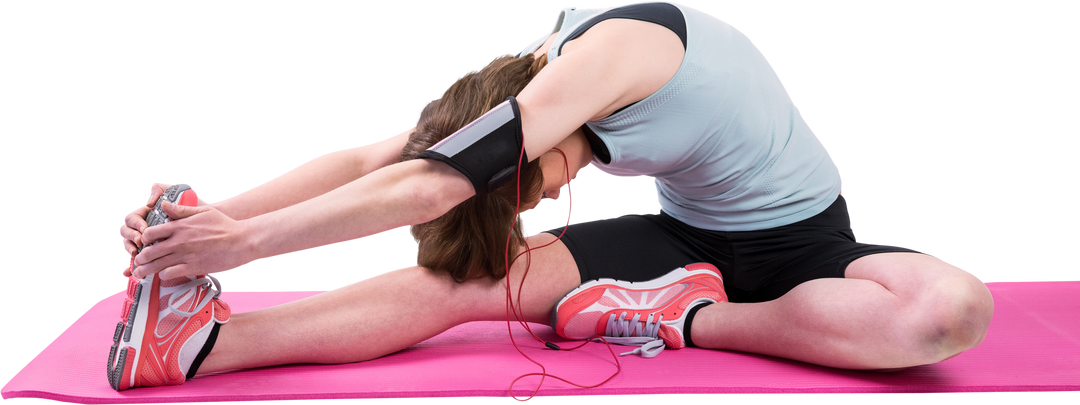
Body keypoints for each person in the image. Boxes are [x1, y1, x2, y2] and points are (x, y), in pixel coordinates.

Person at [113, 0, 993, 390]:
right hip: (683, 240)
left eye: (532, 182)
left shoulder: (604, 61)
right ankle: (199, 346)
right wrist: (212, 216)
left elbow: (431, 184)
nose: (540, 197)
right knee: (459, 285)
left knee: (946, 313)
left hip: (808, 245)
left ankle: (678, 318)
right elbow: (378, 155)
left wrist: (240, 249)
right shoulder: (532, 69)